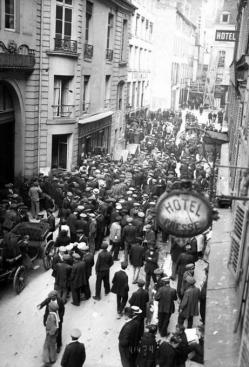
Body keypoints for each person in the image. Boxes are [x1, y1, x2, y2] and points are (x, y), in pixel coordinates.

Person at [42, 301, 59, 366]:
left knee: (47, 346)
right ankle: (52, 358)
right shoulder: (55, 314)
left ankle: (48, 360)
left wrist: (49, 333)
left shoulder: (51, 316)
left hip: (50, 334)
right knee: (52, 346)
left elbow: (52, 326)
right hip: (54, 334)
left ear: (51, 308)